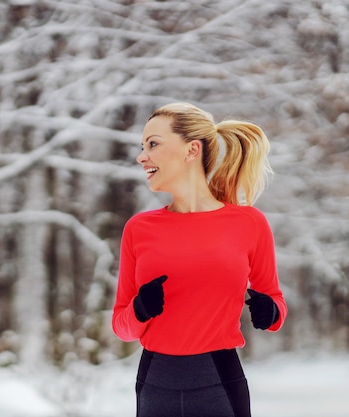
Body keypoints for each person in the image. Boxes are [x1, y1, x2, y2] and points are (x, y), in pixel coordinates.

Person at [111, 102, 287, 417]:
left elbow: (275, 306)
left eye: (153, 144)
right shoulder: (138, 229)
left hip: (218, 382)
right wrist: (139, 309)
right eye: (142, 146)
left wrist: (270, 311)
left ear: (192, 150)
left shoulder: (249, 223)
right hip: (155, 384)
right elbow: (122, 326)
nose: (141, 156)